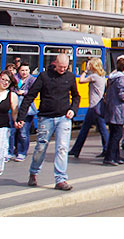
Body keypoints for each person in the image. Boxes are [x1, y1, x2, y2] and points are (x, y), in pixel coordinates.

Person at [17, 53, 80, 191]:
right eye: (60, 67)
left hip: (64, 118)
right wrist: (21, 117)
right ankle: (33, 172)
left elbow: (76, 96)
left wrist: (73, 110)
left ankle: (61, 179)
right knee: (41, 147)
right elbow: (30, 96)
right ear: (55, 64)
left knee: (62, 148)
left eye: (65, 67)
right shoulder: (44, 76)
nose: (63, 70)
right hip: (46, 117)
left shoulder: (70, 77)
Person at [68, 58, 109, 159]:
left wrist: (85, 71)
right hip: (99, 105)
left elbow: (81, 81)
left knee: (89, 129)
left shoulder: (94, 76)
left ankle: (76, 150)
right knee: (100, 129)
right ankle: (106, 149)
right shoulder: (102, 76)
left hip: (93, 106)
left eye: (89, 65)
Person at [101, 56, 124, 166]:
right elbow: (122, 95)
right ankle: (110, 157)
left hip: (114, 109)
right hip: (118, 110)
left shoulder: (114, 77)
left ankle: (115, 156)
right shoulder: (120, 78)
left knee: (114, 134)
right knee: (116, 135)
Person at [10, 62, 36, 161]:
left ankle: (22, 152)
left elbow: (34, 92)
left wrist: (24, 92)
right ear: (19, 70)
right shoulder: (14, 78)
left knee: (23, 132)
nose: (24, 72)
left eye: (26, 70)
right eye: (22, 70)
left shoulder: (32, 80)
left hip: (27, 110)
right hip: (14, 107)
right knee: (11, 131)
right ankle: (10, 152)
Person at [0, 70, 21, 176]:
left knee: (0, 152)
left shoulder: (12, 95)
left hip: (2, 127)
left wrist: (16, 122)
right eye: (2, 79)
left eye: (7, 81)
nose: (4, 82)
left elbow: (14, 112)